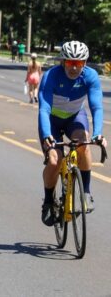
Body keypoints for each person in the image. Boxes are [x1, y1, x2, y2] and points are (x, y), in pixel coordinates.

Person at [38, 41, 106, 226]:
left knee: (83, 144)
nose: (74, 67)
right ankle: (49, 201)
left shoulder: (90, 76)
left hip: (75, 117)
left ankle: (86, 192)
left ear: (85, 63)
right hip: (51, 120)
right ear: (62, 61)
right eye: (70, 63)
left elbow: (97, 107)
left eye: (79, 63)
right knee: (54, 160)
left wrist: (98, 134)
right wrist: (46, 136)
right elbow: (43, 109)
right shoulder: (51, 76)